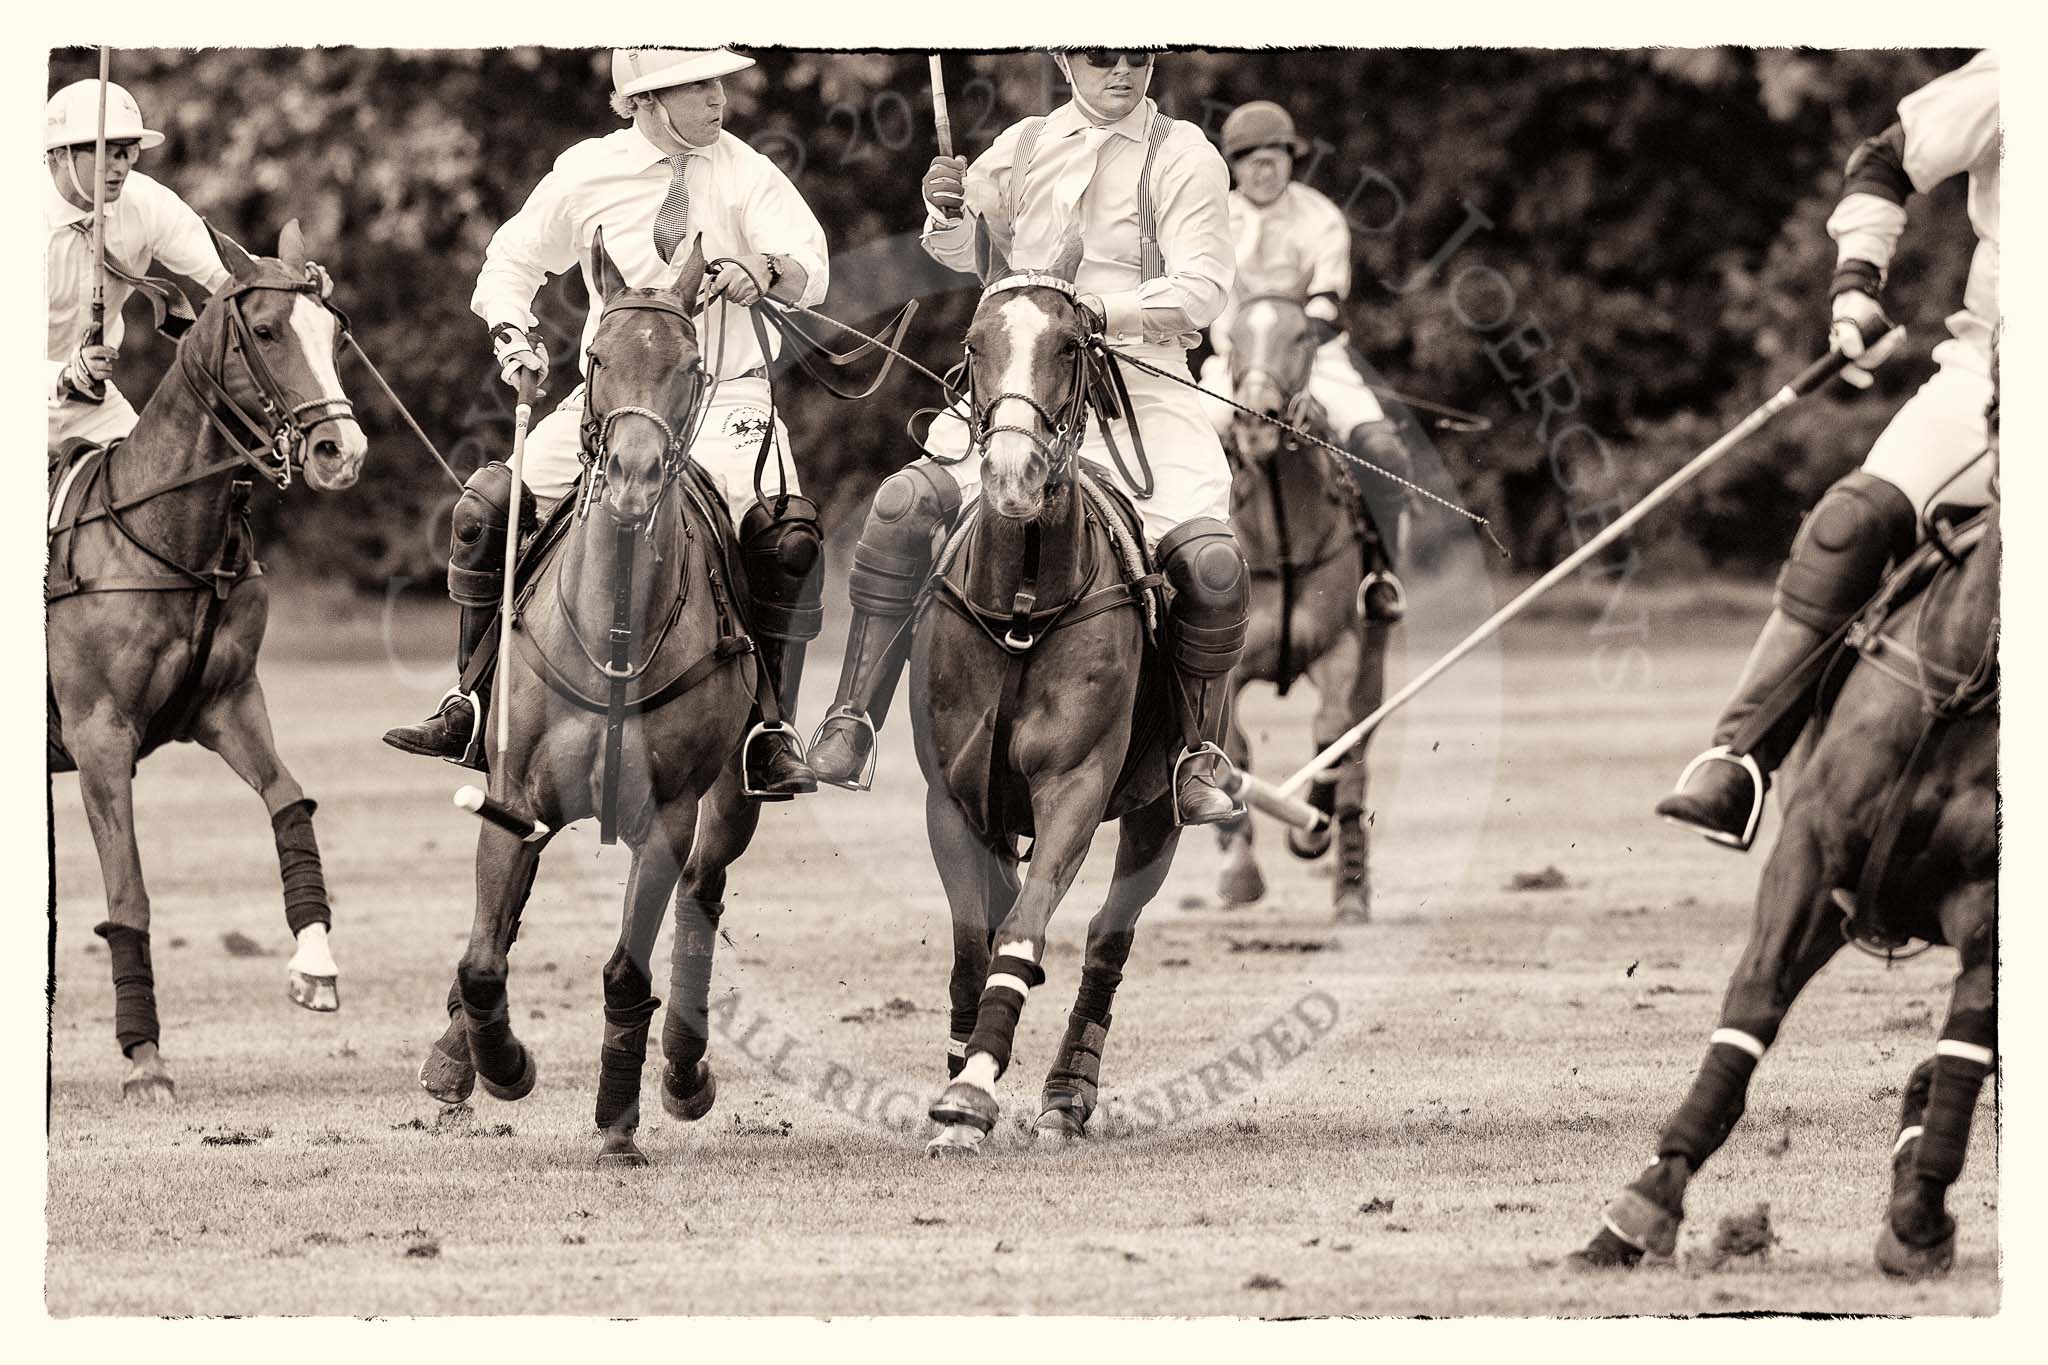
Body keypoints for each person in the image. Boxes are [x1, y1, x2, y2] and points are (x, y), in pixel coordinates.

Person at [806, 49, 1250, 825]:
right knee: (903, 505)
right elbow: (964, 251)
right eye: (1101, 57)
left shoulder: (1183, 154)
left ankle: (1194, 753)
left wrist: (1098, 312)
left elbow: (1203, 288)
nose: (1122, 72)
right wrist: (945, 210)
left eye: (1137, 57)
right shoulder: (1027, 143)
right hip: (1024, 377)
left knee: (1211, 561)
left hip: (1141, 381)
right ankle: (853, 714)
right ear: (1062, 59)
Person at [383, 48, 830, 796]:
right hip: (617, 401)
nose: (720, 98)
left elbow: (810, 262)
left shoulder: (745, 169)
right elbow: (510, 261)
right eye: (699, 85)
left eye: (720, 82)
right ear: (646, 100)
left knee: (785, 538)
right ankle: (471, 698)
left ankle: (768, 727)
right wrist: (512, 334)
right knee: (486, 506)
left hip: (724, 394)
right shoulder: (587, 171)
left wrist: (765, 268)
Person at [1657, 50, 1999, 849]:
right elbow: (1886, 160)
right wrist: (1855, 289)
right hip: (1996, 377)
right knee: (1851, 518)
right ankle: (1739, 756)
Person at [1197, 99, 1407, 620]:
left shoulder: (1320, 216)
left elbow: (1326, 304)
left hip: (1315, 360)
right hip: (1232, 367)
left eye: (1275, 156)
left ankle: (1379, 576)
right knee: (1185, 444)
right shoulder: (1211, 218)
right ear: (1234, 164)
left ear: (1292, 159)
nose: (1263, 169)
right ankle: (1172, 582)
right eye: (1250, 158)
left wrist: (1285, 370)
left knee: (1384, 449)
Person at [44, 78, 232, 453]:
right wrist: (64, 375)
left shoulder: (143, 201)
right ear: (61, 154)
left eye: (128, 153)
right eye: (108, 153)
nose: (122, 167)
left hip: (90, 406)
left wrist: (291, 285)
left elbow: (225, 271)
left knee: (163, 491)